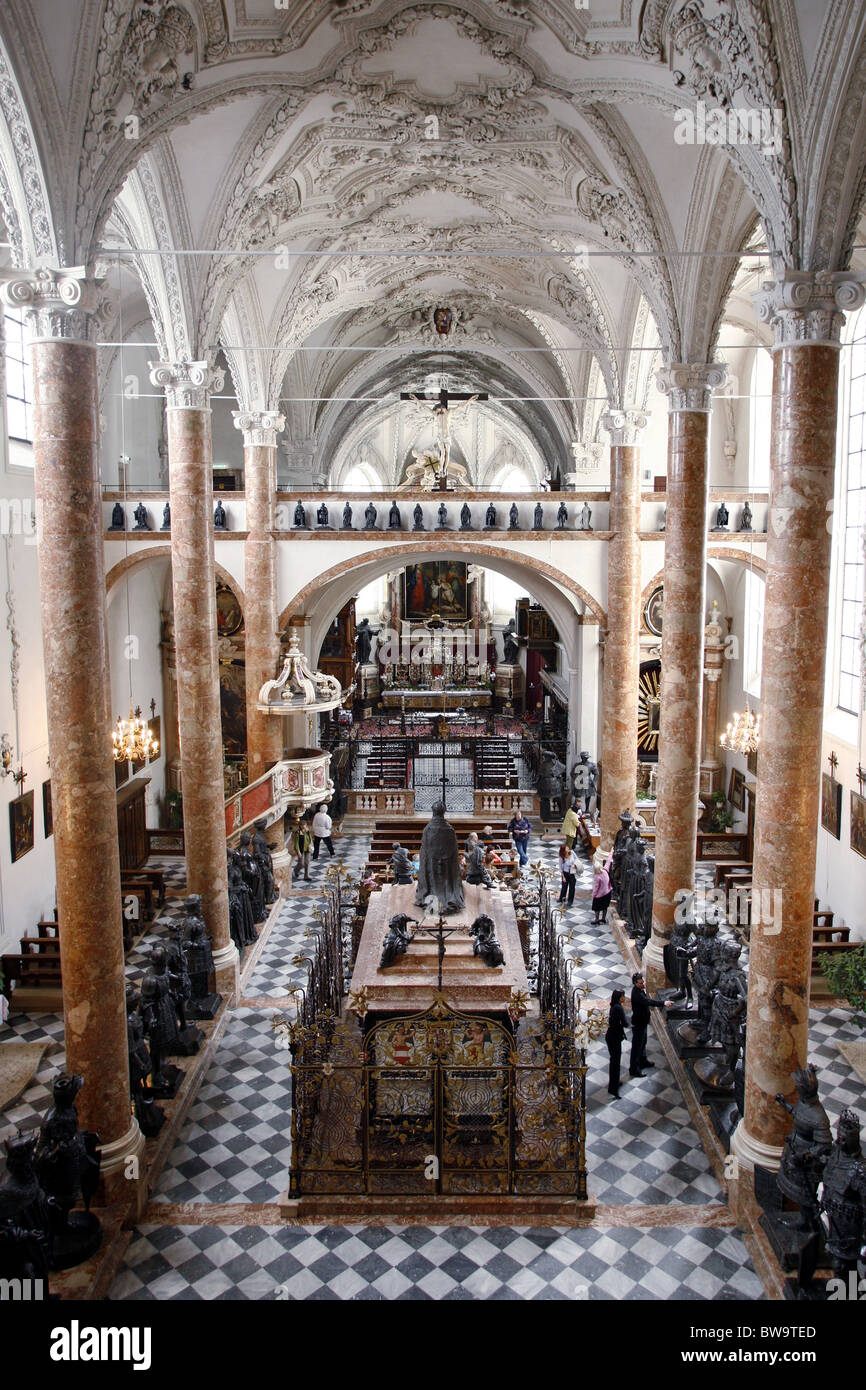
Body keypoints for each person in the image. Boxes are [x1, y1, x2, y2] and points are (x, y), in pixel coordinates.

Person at [629, 971, 671, 1077]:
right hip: (638, 1024)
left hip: (643, 1022)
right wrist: (663, 1003)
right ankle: (634, 1069)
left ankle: (643, 1061)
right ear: (635, 983)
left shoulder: (639, 990)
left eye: (643, 982)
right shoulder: (637, 994)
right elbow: (649, 1002)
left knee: (643, 1042)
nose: (643, 985)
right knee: (637, 1047)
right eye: (640, 983)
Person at [605, 989, 628, 1099]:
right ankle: (614, 1089)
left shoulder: (614, 1006)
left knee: (614, 1061)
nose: (625, 998)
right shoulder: (618, 1008)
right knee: (615, 1063)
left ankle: (614, 1084)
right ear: (620, 998)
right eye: (623, 996)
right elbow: (625, 1022)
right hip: (614, 1038)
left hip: (611, 1036)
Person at [592, 850, 613, 924]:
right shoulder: (605, 870)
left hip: (600, 895)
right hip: (608, 892)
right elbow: (608, 862)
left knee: (596, 908)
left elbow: (596, 888)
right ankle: (603, 918)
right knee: (605, 907)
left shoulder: (597, 877)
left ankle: (597, 919)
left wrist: (593, 895)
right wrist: (611, 852)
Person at [290, 817, 313, 881]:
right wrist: (298, 852)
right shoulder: (298, 833)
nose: (303, 826)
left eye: (304, 825)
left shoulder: (307, 831)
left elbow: (310, 838)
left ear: (306, 825)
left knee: (307, 862)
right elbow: (296, 843)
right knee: (301, 863)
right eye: (302, 825)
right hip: (301, 849)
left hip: (307, 849)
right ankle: (295, 871)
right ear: (300, 826)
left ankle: (306, 876)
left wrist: (311, 844)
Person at [558, 841, 579, 907]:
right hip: (565, 873)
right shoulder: (562, 857)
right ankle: (562, 898)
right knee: (564, 886)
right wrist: (563, 877)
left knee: (572, 887)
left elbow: (577, 859)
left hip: (572, 873)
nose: (568, 849)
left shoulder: (572, 853)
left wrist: (574, 864)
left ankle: (570, 900)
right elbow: (560, 867)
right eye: (566, 848)